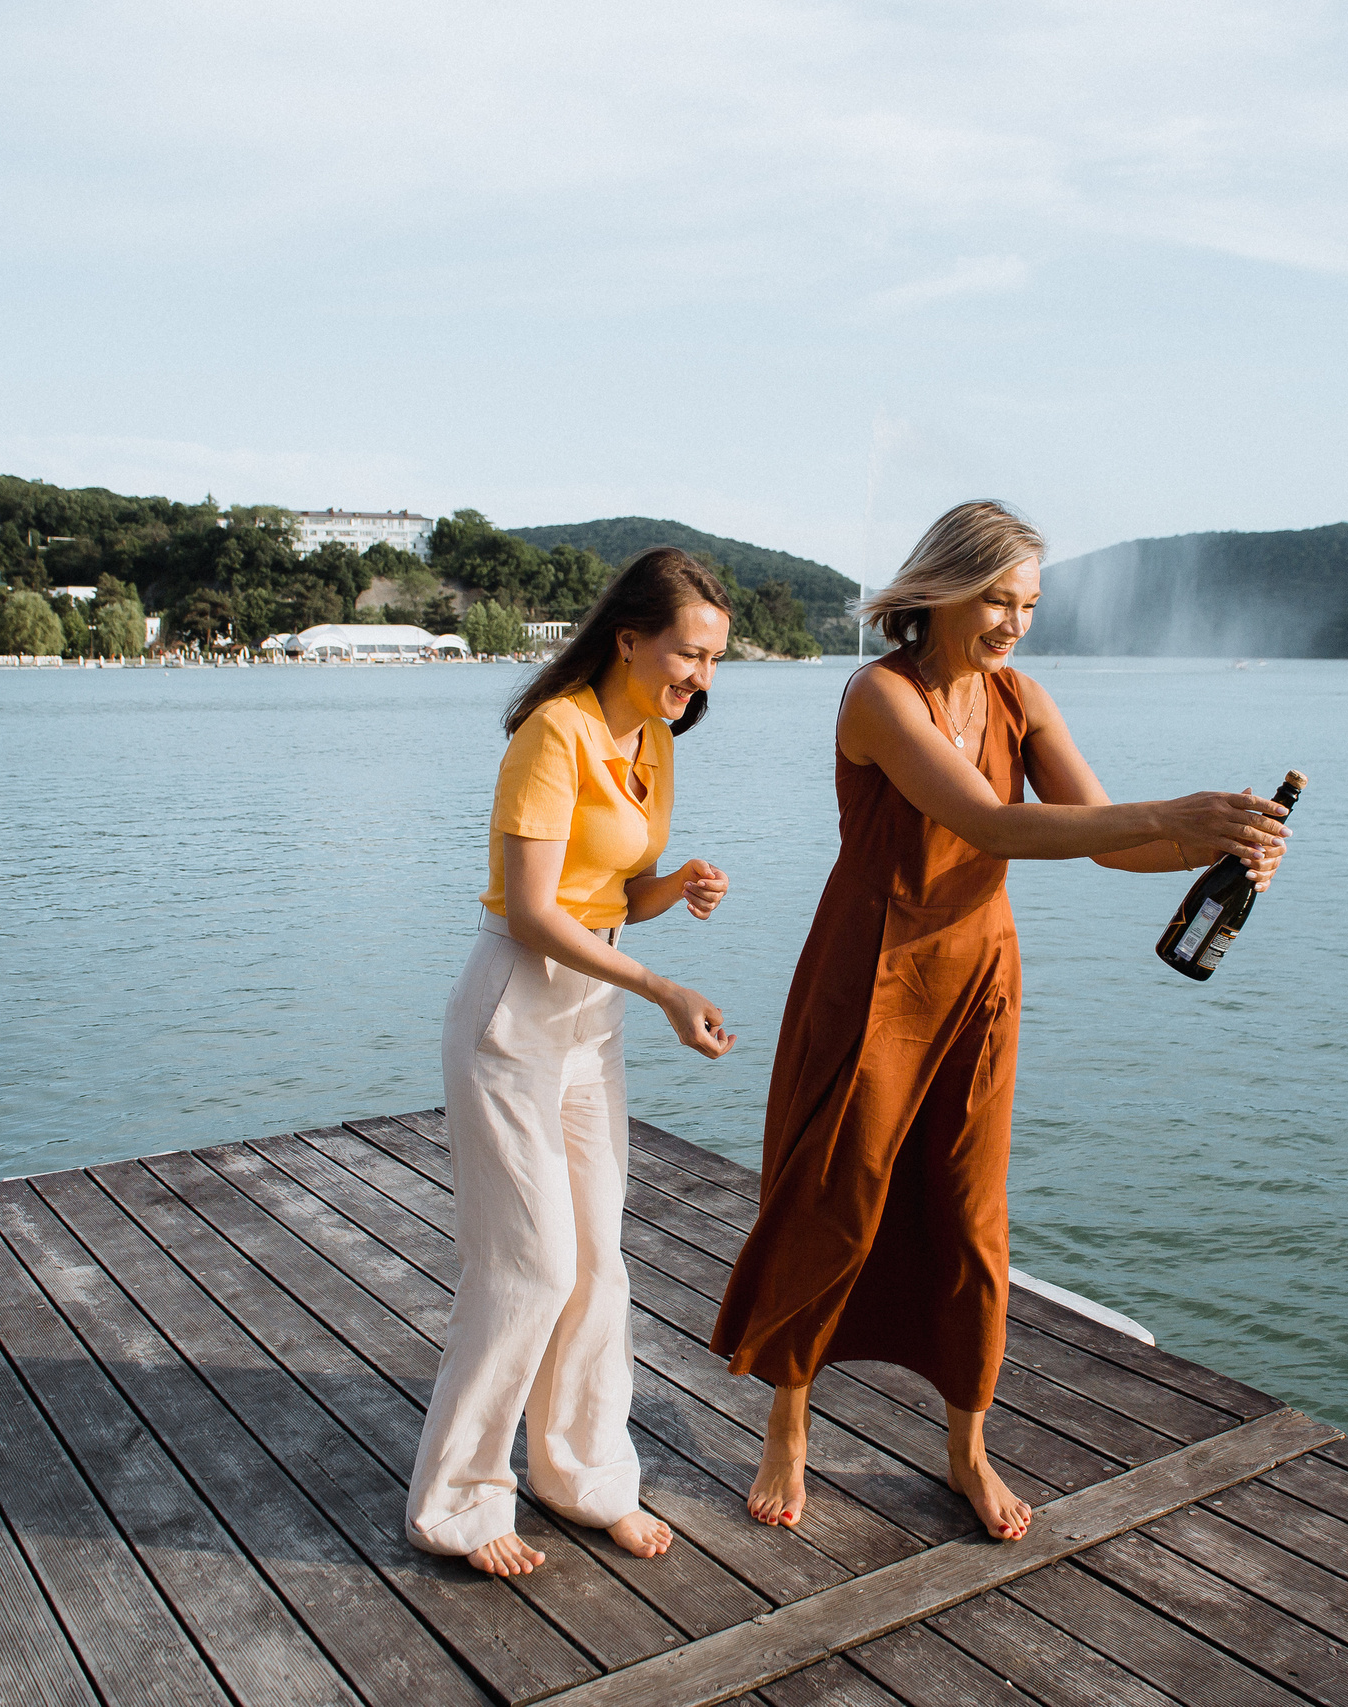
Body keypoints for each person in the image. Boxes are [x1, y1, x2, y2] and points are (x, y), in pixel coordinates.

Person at [709, 501, 1291, 1542]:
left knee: (971, 1220)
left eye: (1027, 604)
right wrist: (1174, 812)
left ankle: (966, 1451)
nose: (1013, 622)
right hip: (873, 972)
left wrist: (1221, 847)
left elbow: (1112, 845)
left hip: (978, 979)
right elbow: (989, 821)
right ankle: (787, 1428)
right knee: (833, 1197)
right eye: (996, 599)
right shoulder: (878, 695)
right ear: (939, 591)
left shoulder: (1021, 696)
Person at [405, 547, 739, 1577]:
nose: (701, 679)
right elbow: (536, 910)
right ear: (628, 638)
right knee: (527, 1266)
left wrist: (668, 883)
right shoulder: (554, 733)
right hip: (513, 1010)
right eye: (688, 654)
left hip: (587, 1020)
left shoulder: (651, 741)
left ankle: (582, 1475)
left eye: (715, 661)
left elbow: (606, 889)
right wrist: (664, 988)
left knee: (597, 1259)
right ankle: (458, 1500)